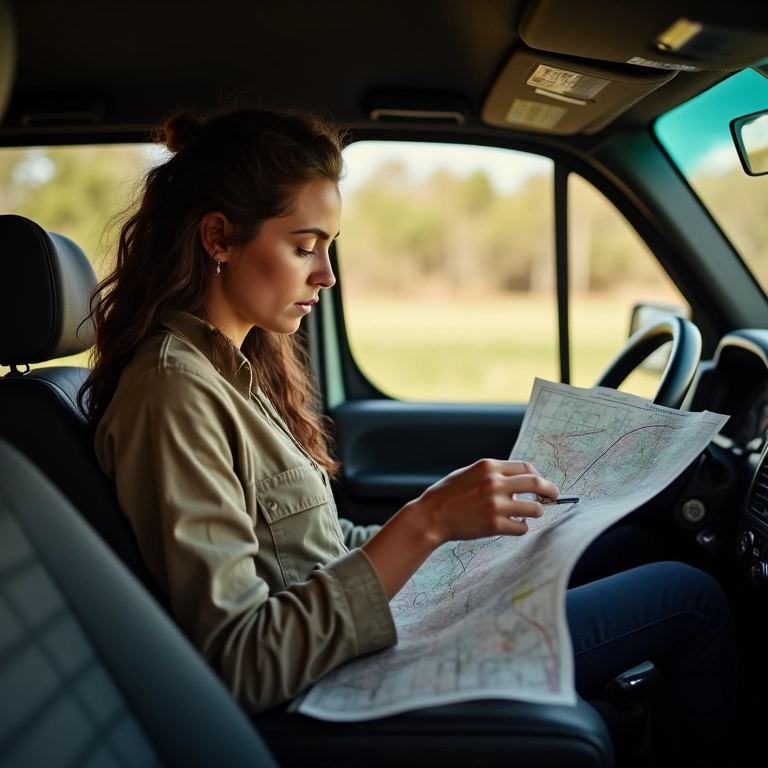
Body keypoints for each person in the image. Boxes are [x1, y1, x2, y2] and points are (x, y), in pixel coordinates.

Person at [82, 107, 738, 767]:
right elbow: (240, 662)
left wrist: (462, 538)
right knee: (690, 597)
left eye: (330, 247)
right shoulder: (174, 393)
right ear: (219, 238)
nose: (327, 275)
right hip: (327, 687)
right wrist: (425, 525)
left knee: (626, 542)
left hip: (361, 639)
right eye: (305, 246)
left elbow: (316, 550)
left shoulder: (230, 369)